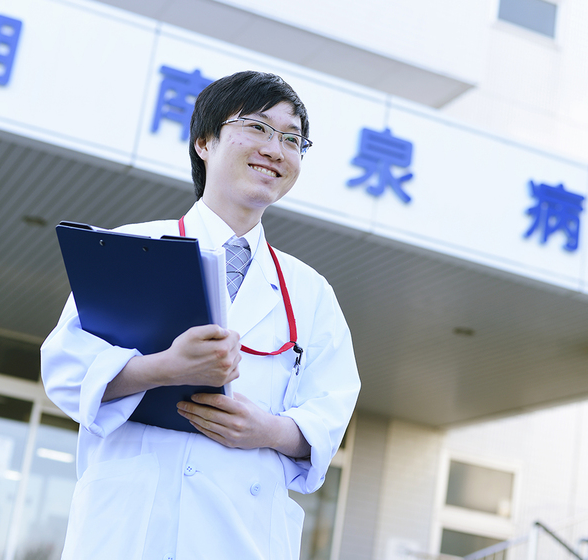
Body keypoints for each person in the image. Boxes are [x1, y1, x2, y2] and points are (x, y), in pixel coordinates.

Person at [41, 70, 360, 560]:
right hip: (129, 533)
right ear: (204, 142)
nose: (276, 150)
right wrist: (164, 368)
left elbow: (330, 413)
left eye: (293, 139)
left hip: (243, 537)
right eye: (257, 127)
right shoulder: (132, 248)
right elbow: (64, 370)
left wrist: (268, 430)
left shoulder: (311, 293)